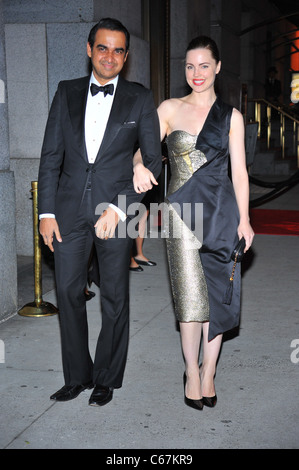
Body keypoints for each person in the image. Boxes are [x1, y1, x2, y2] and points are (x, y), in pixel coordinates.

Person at [38, 18, 161, 406]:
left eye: (118, 50)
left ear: (126, 56)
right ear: (89, 50)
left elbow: (154, 163)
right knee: (69, 293)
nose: (110, 56)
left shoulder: (140, 98)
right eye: (103, 48)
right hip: (68, 212)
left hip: (116, 212)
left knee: (115, 297)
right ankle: (77, 375)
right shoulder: (66, 92)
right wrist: (46, 214)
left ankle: (107, 376)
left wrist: (120, 208)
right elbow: (50, 157)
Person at [133, 36, 254, 410]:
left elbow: (239, 173)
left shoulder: (231, 117)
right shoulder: (169, 108)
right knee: (189, 300)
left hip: (220, 214)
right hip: (182, 217)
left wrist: (245, 220)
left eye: (204, 65)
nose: (196, 73)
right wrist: (138, 164)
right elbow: (142, 147)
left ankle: (209, 371)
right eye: (189, 66)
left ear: (217, 67)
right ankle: (190, 369)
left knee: (218, 297)